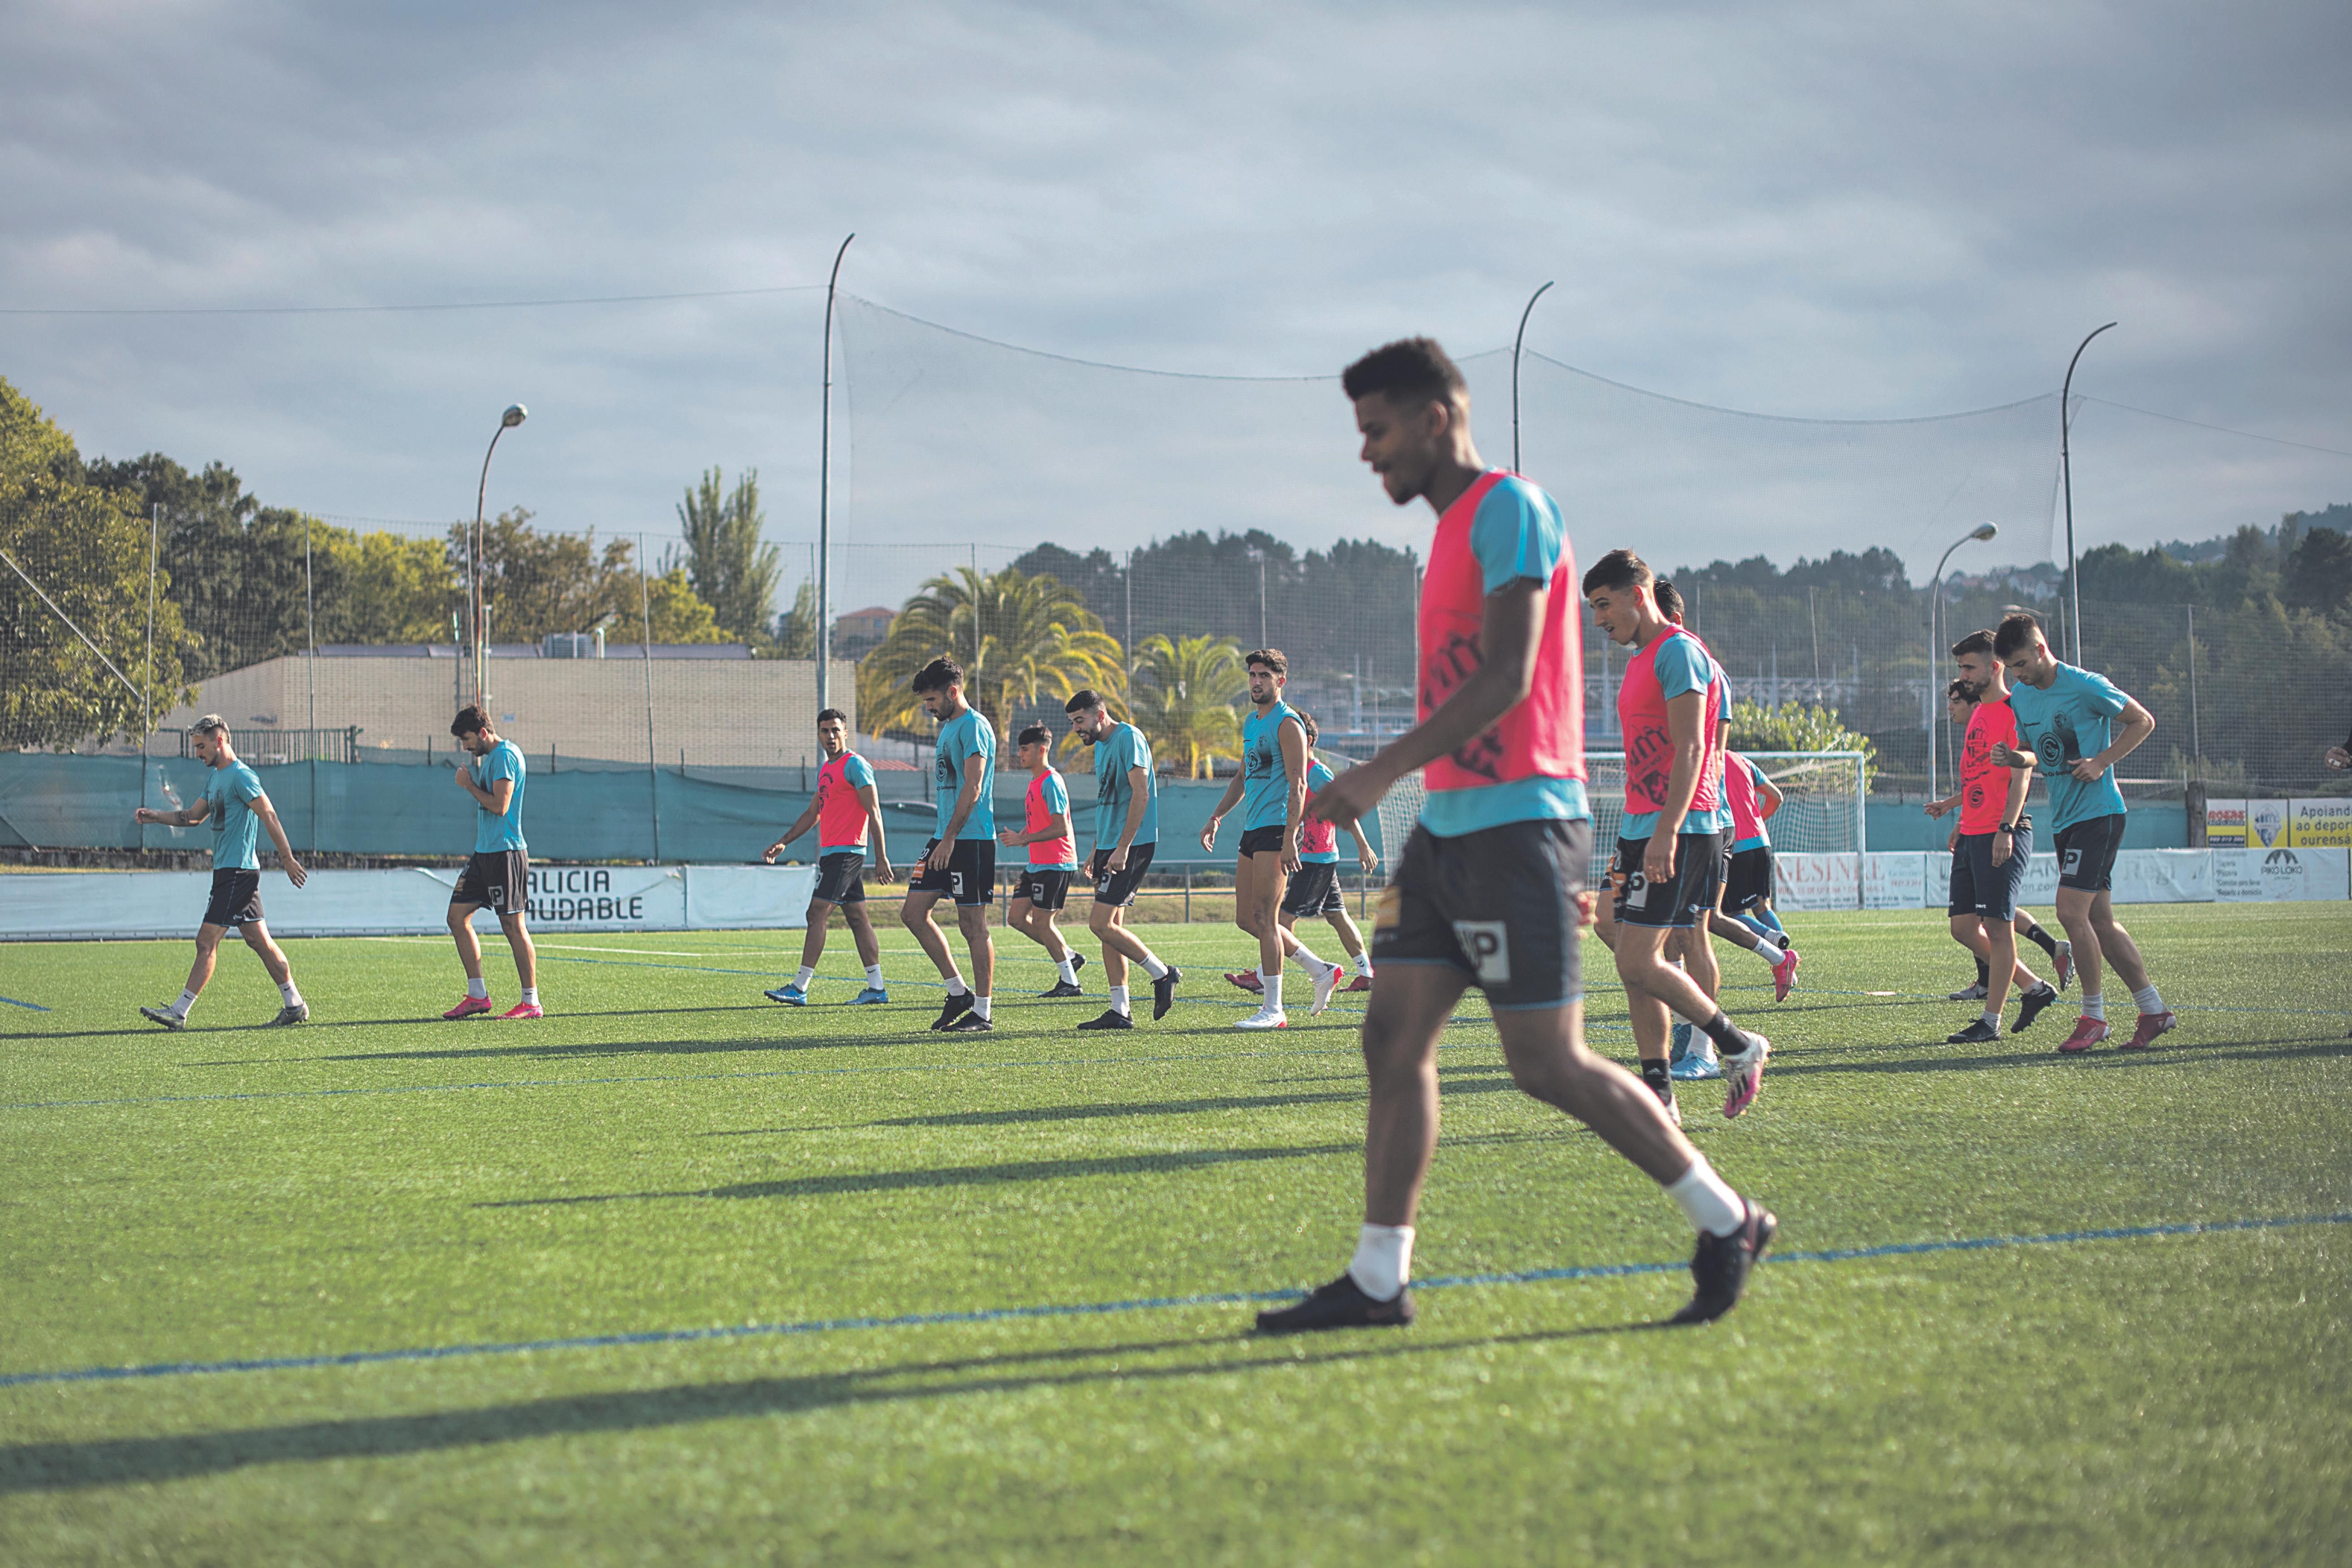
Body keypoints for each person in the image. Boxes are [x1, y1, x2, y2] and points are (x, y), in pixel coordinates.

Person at [1255, 338, 1774, 1335]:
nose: (1366, 453)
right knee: (1390, 1034)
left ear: (1435, 419)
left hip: (1517, 829)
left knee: (1545, 1062)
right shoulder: (1448, 533)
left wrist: (1374, 771)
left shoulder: (1510, 511)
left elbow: (1504, 676)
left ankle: (1726, 1219)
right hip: (1447, 837)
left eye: (1377, 430)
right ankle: (1376, 1278)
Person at [1586, 550, 1773, 1127]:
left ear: (1637, 594)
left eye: (1603, 604)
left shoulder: (1680, 654)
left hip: (1682, 827)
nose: (1598, 619)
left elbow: (1695, 749)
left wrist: (1666, 831)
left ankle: (1737, 1045)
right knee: (1617, 934)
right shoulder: (1641, 658)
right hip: (1639, 827)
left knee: (1643, 956)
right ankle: (1660, 1089)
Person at [1990, 612, 2176, 1052]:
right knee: (2101, 921)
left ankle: (2093, 1017)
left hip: (2100, 813)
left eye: (2019, 664)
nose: (2016, 675)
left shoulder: (2085, 684)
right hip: (2067, 820)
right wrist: (2015, 758)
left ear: (2040, 649)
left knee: (2070, 911)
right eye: (2011, 668)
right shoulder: (2022, 697)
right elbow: (2037, 753)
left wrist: (2102, 760)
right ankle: (2153, 1010)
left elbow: (2142, 721)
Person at [133, 715, 310, 1029]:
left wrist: (287, 858)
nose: (198, 753)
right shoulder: (216, 778)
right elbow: (192, 817)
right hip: (231, 872)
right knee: (260, 941)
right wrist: (156, 816)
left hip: (238, 873)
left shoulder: (242, 776)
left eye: (201, 746)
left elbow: (268, 813)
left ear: (220, 740)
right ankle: (294, 1003)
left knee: (206, 941)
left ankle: (179, 1011)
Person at [1929, 635, 2062, 1043]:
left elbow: (2024, 771)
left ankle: (1990, 1022)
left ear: (1995, 667)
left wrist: (2006, 826)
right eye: (1961, 669)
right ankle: (2035, 987)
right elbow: (1978, 775)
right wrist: (1961, 817)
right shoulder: (1979, 714)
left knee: (1998, 928)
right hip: (1973, 831)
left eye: (1970, 668)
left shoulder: (2012, 709)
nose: (1963, 677)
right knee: (1964, 927)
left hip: (2002, 832)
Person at [1203, 649, 1340, 1028]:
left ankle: (1274, 1009)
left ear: (1281, 681)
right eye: (1252, 675)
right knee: (1246, 918)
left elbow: (1298, 784)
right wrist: (1216, 817)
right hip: (1252, 829)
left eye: (1264, 675)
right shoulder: (1252, 723)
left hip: (1277, 829)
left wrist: (1290, 838)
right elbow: (1242, 778)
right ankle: (1319, 969)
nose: (1256, 681)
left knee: (1266, 916)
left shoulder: (1288, 724)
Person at [1230, 712, 1379, 999]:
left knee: (1279, 919)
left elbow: (1344, 807)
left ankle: (1264, 977)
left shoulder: (1315, 772)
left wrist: (1363, 846)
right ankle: (1367, 974)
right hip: (1316, 857)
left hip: (1314, 858)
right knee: (1337, 916)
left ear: (1306, 740)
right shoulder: (1289, 770)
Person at [1065, 690, 1181, 1028]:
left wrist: (1122, 847)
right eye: (1073, 722)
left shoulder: (1129, 738)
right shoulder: (1101, 747)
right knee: (1110, 930)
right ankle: (1120, 1010)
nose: (1076, 728)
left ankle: (1163, 974)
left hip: (1132, 844)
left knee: (1099, 924)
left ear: (1100, 715)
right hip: (1111, 845)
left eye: (1080, 720)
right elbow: (1110, 801)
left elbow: (1141, 794)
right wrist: (1097, 849)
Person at [760, 707, 891, 1006]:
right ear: (818, 735)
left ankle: (800, 986)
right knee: (858, 918)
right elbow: (813, 813)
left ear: (846, 732)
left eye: (836, 730)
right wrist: (784, 842)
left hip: (848, 853)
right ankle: (877, 988)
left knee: (816, 913)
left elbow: (874, 812)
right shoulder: (825, 770)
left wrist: (882, 856)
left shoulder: (855, 765)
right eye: (825, 731)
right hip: (833, 854)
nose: (830, 736)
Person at [900, 658, 998, 1032]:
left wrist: (952, 838)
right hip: (944, 837)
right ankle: (958, 992)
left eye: (932, 699)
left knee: (972, 924)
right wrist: (944, 837)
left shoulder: (974, 726)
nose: (929, 707)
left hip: (968, 839)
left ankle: (983, 1012)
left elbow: (973, 787)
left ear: (953, 692)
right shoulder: (948, 728)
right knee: (912, 913)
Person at [440, 706, 541, 1020]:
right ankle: (477, 995)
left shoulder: (505, 757)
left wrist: (469, 785)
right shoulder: (491, 758)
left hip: (506, 853)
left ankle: (531, 1002)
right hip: (485, 852)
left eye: (468, 740)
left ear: (483, 733)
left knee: (513, 925)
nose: (465, 747)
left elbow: (500, 806)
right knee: (456, 917)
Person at [999, 722, 1087, 998]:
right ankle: (1069, 955)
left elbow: (1061, 828)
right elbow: (1039, 821)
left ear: (1041, 750)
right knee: (1016, 918)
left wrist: (1024, 840)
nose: (1020, 754)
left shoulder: (1051, 781)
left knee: (1042, 923)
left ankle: (1070, 982)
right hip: (1037, 864)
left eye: (1025, 749)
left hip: (1056, 863)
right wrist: (1021, 835)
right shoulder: (1035, 782)